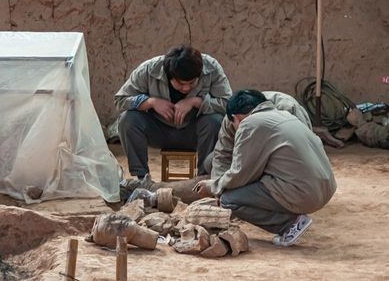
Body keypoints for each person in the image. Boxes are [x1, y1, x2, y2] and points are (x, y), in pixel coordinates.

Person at [194, 90, 336, 246]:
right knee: (215, 166)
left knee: (229, 200)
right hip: (327, 187)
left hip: (304, 193)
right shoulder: (285, 115)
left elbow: (241, 173)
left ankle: (290, 224)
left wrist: (213, 187)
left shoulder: (249, 124)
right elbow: (223, 156)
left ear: (235, 118)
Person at [114, 44, 232, 179]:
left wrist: (196, 102)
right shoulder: (149, 69)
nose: (186, 88)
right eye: (181, 84)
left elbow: (228, 103)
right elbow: (120, 100)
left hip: (195, 133)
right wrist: (151, 102)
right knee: (128, 119)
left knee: (215, 121)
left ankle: (205, 177)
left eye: (192, 83)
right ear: (169, 76)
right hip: (159, 131)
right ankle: (141, 178)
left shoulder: (211, 67)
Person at [204, 91, 313, 180]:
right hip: (248, 156)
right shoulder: (231, 119)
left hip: (281, 158)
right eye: (242, 124)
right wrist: (218, 188)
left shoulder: (287, 109)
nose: (246, 128)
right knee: (210, 162)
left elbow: (302, 151)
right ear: (235, 118)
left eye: (249, 124)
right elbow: (222, 155)